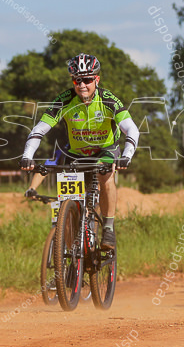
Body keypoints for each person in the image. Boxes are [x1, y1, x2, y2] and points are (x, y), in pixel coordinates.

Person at [19, 54, 139, 250]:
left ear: (96, 80)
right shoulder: (64, 101)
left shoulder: (108, 100)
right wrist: (27, 156)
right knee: (66, 202)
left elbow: (131, 129)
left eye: (88, 79)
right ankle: (67, 255)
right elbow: (39, 129)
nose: (82, 85)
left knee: (107, 175)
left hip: (105, 150)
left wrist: (127, 156)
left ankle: (108, 227)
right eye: (77, 80)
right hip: (76, 154)